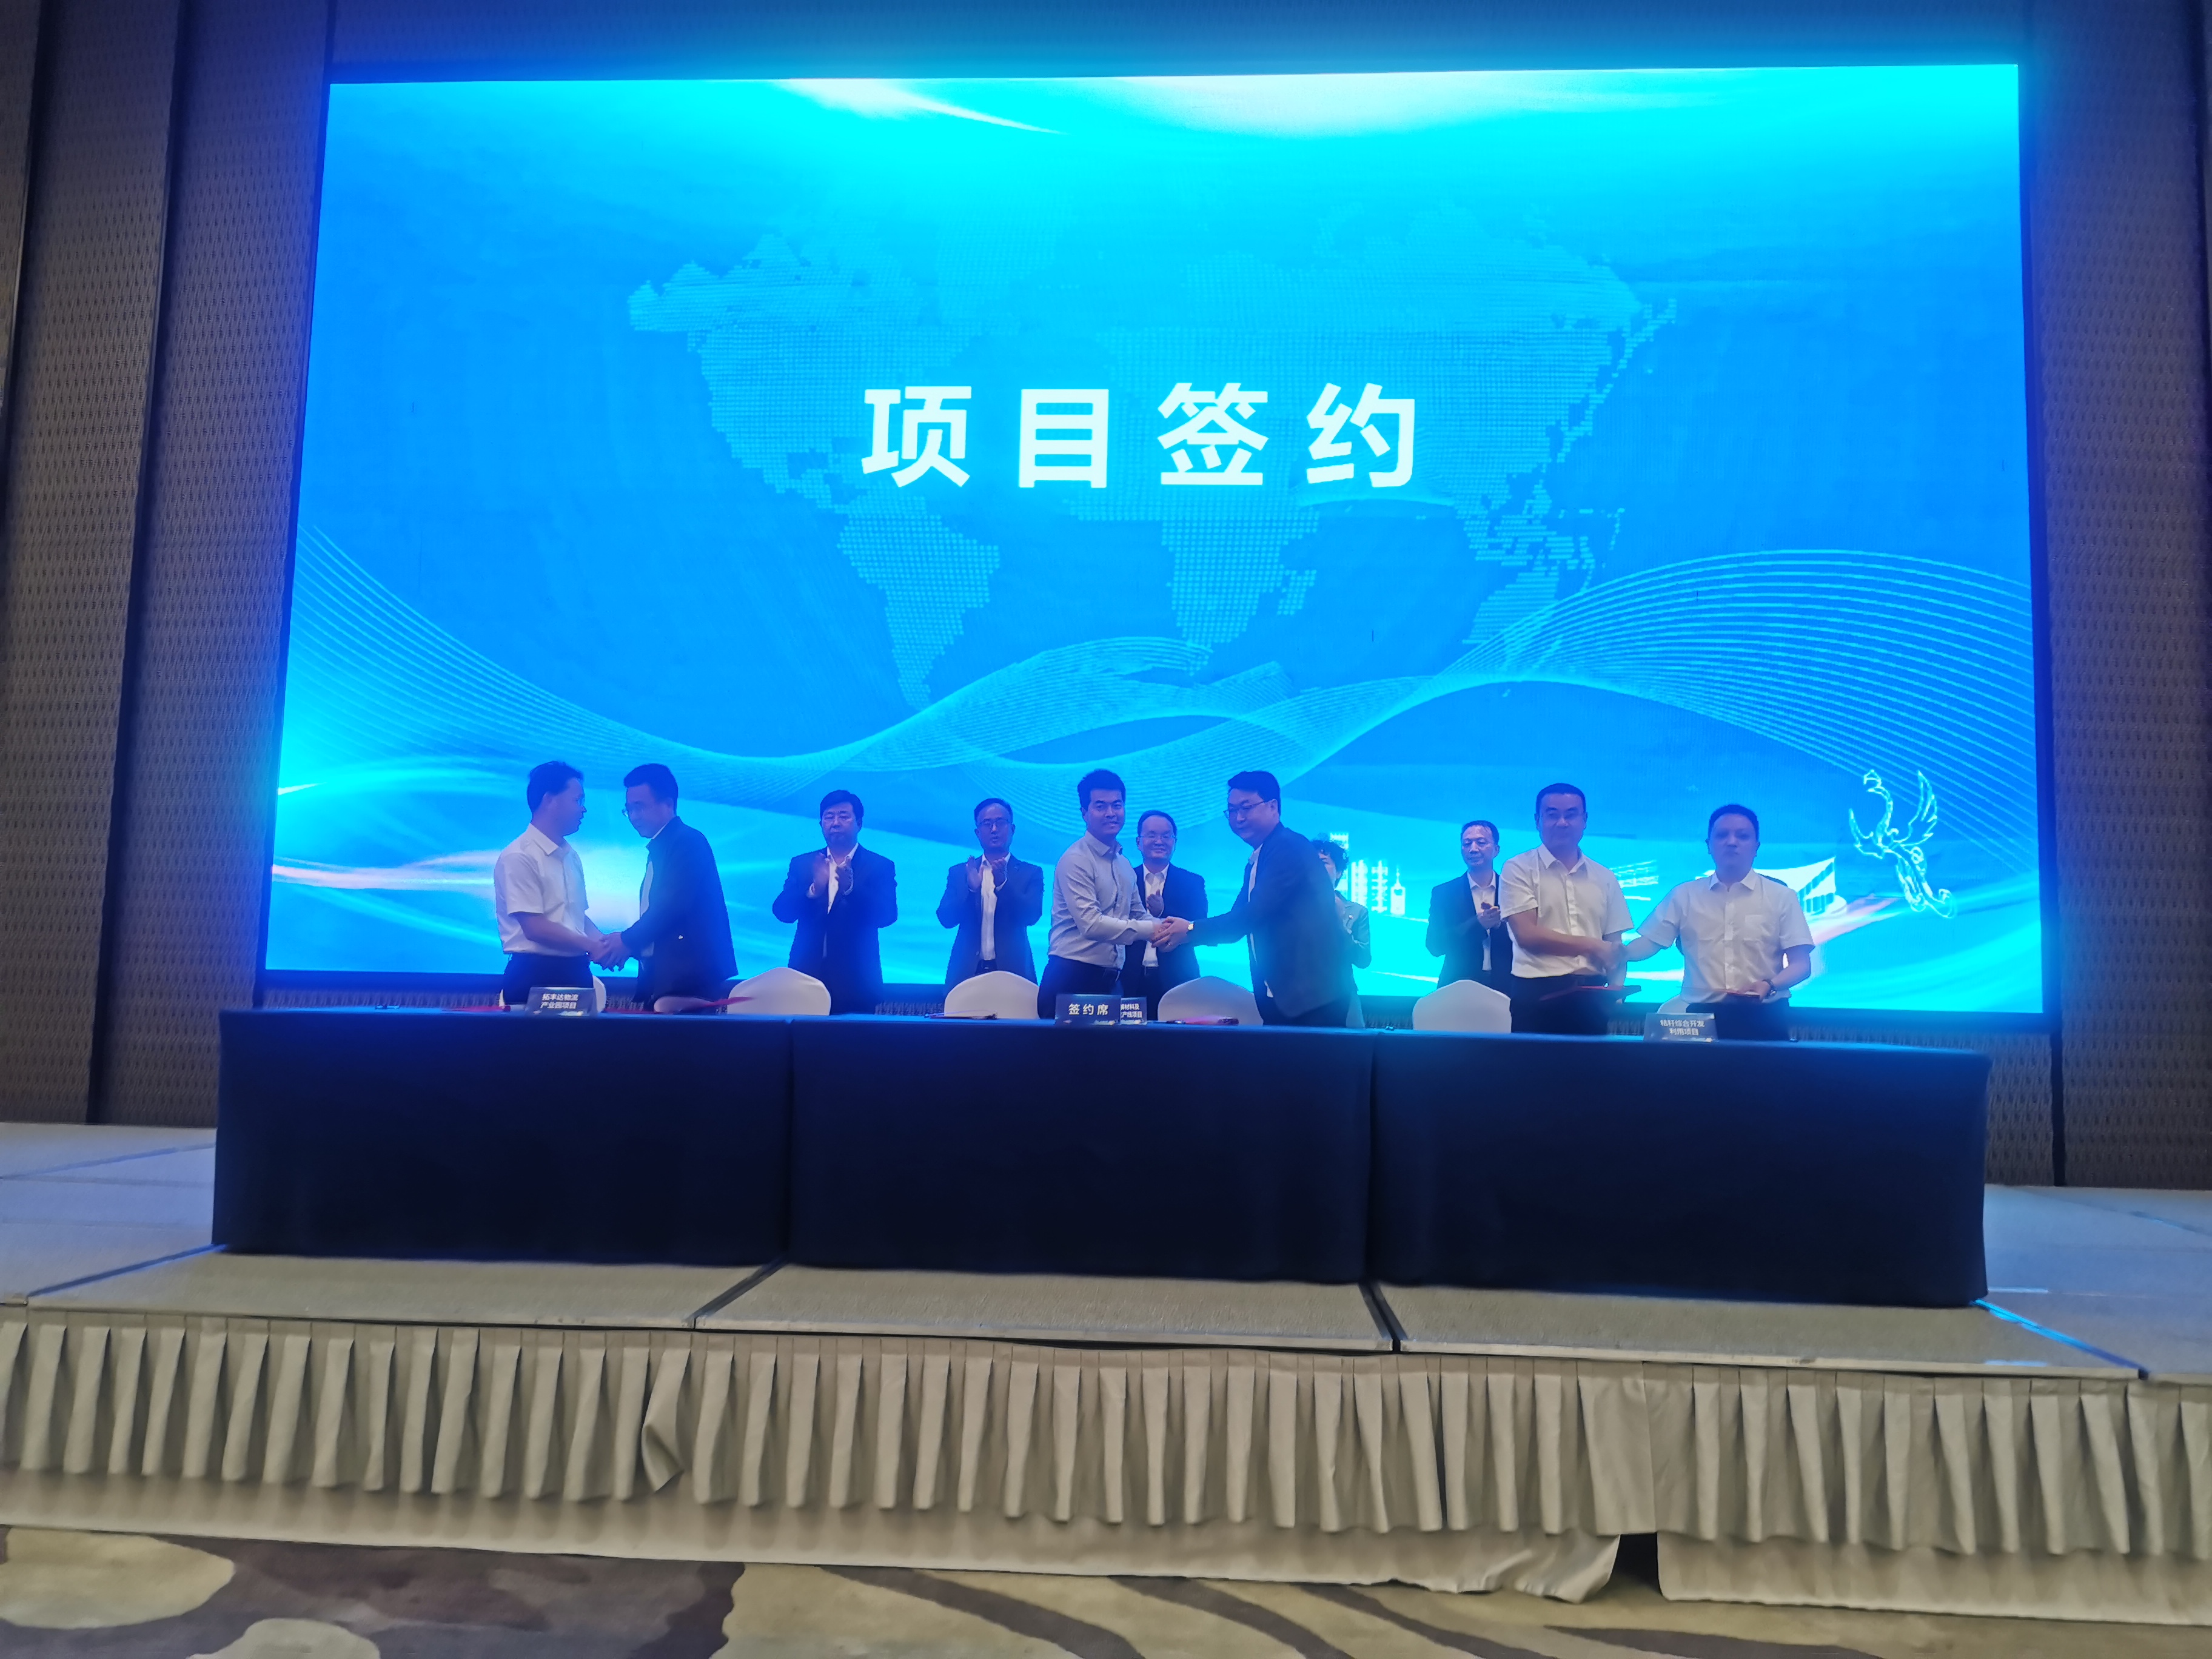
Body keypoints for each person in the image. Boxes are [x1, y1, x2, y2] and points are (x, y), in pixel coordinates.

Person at [1623, 803, 1814, 1041]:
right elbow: (1650, 943)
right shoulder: (1684, 895)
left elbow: (1801, 965)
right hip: (1701, 1017)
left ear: (1756, 847)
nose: (1731, 842)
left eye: (1742, 836)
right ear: (1709, 845)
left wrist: (1769, 985)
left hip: (1766, 1015)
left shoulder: (1782, 897)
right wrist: (1617, 954)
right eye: (1722, 835)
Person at [1187, 771, 1355, 1027]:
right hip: (1287, 999)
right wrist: (1189, 931)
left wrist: (1189, 930)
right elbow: (1237, 919)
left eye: (1246, 808)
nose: (1238, 818)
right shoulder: (1261, 856)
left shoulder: (1286, 847)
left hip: (1312, 1001)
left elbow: (1248, 917)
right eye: (1232, 810)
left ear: (1273, 806)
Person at [1041, 769, 1189, 1019]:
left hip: (1111, 981)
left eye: (1117, 805)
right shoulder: (1076, 860)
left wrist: (1168, 927)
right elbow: (1092, 925)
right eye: (1101, 806)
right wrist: (1153, 929)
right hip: (1072, 977)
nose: (1111, 813)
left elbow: (1139, 914)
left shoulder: (1123, 865)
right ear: (1084, 813)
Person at [590, 763, 737, 1012]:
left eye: (640, 807)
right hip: (668, 977)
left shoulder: (687, 842)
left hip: (688, 979)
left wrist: (625, 941)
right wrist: (627, 946)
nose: (633, 817)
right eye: (629, 809)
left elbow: (670, 907)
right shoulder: (663, 846)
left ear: (668, 804)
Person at [1500, 782, 1630, 1036]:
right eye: (1552, 815)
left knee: (1590, 1064)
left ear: (1585, 820)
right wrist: (1593, 946)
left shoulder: (1605, 877)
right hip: (1537, 994)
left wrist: (1616, 992)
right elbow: (1527, 936)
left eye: (1571, 815)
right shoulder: (1518, 868)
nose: (1562, 823)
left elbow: (1614, 944)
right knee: (1534, 1064)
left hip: (1594, 996)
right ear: (1537, 821)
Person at [491, 761, 612, 1008]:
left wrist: (605, 945)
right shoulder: (519, 856)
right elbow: (535, 928)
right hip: (535, 974)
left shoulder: (571, 856)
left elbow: (577, 918)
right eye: (577, 800)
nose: (583, 809)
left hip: (576, 971)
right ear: (549, 800)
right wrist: (592, 946)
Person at [772, 789, 896, 1014]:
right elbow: (782, 912)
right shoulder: (803, 864)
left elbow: (887, 916)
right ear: (821, 824)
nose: (835, 823)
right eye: (829, 817)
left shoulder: (880, 866)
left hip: (857, 983)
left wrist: (851, 889)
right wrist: (814, 889)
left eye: (844, 816)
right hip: (805, 979)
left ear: (859, 823)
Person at [936, 796, 1044, 986]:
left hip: (1014, 974)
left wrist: (1003, 885)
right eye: (987, 824)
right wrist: (971, 889)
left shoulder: (1030, 873)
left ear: (1012, 829)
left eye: (1000, 822)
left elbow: (1031, 916)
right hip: (967, 974)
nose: (994, 829)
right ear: (977, 832)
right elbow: (946, 919)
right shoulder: (960, 872)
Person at [1121, 810, 1207, 1019]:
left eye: (1166, 836)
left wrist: (1163, 913)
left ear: (1174, 842)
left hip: (1177, 980)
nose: (1159, 841)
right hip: (1128, 980)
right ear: (1139, 842)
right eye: (1152, 835)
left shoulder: (1192, 882)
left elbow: (1200, 928)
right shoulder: (1124, 879)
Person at [1426, 819, 1515, 992]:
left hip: (1508, 987)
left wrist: (1500, 925)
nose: (1473, 849)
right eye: (1467, 844)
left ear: (1496, 850)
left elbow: (1527, 942)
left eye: (1481, 842)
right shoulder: (1444, 893)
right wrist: (1478, 924)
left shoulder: (1514, 890)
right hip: (1458, 986)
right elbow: (1435, 946)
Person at [1313, 839, 1370, 1029]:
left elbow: (1363, 959)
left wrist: (1339, 925)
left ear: (1339, 872)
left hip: (1341, 996)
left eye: (1323, 863)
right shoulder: (1291, 909)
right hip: (1298, 997)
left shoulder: (1357, 911)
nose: (1316, 868)